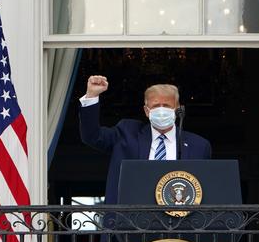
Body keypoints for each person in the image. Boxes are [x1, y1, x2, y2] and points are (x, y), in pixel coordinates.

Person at [79, 75, 212, 204]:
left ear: (177, 109)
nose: (161, 110)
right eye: (155, 106)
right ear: (146, 111)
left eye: (166, 105)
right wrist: (91, 96)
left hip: (180, 221)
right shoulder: (126, 133)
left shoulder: (198, 145)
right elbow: (92, 137)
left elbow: (205, 190)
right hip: (130, 221)